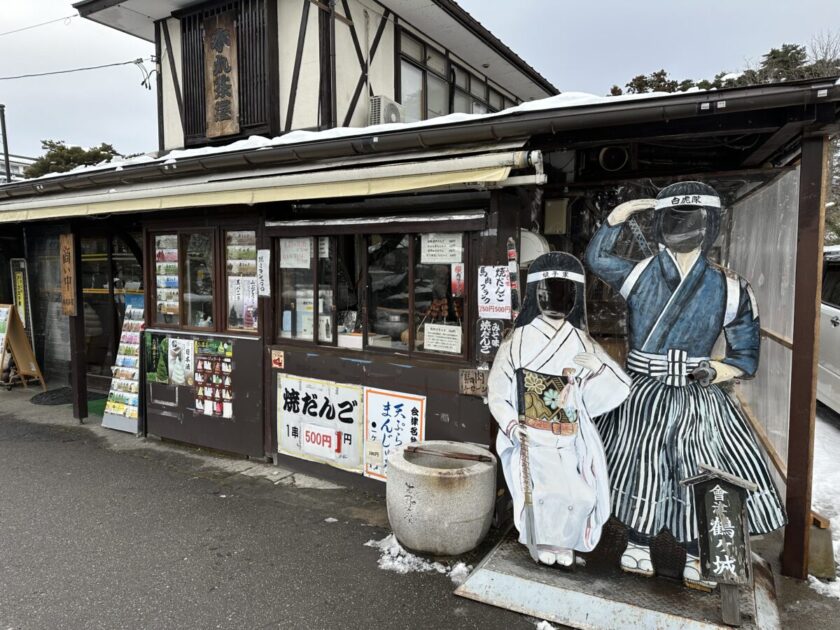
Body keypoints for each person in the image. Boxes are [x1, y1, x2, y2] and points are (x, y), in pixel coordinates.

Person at [584, 180, 786, 589]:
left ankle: (696, 549)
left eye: (692, 221)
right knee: (638, 466)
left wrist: (715, 371)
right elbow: (597, 258)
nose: (684, 229)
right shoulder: (640, 274)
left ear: (709, 226)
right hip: (643, 390)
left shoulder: (730, 287)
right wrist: (616, 218)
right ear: (660, 225)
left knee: (698, 467)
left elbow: (745, 357)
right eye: (675, 220)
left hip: (697, 394)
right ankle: (638, 542)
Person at [488, 252, 631, 566]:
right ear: (535, 295)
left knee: (578, 495)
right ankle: (541, 544)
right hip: (531, 434)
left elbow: (618, 388)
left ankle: (566, 544)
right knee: (541, 494)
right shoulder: (517, 341)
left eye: (564, 292)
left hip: (567, 436)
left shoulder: (582, 342)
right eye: (547, 290)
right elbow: (497, 393)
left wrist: (598, 369)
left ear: (574, 297)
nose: (554, 298)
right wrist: (512, 424)